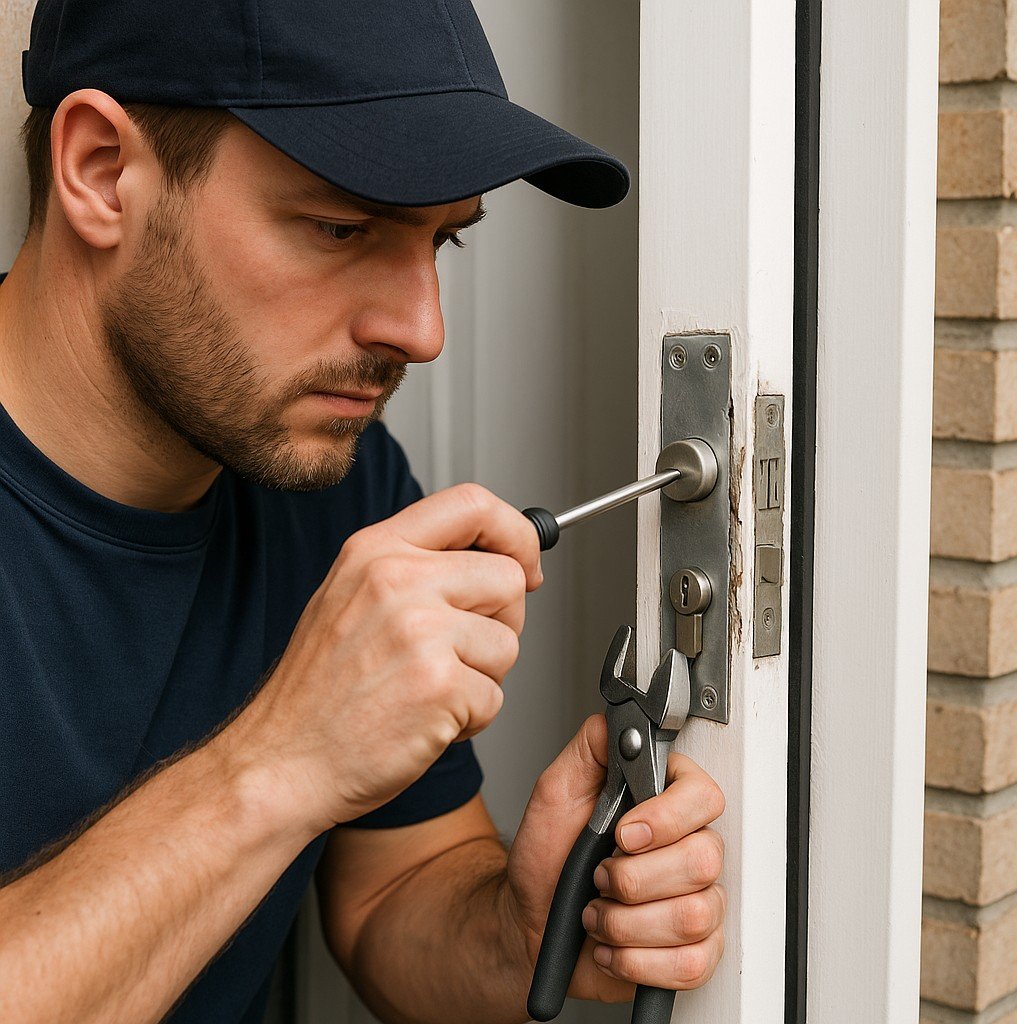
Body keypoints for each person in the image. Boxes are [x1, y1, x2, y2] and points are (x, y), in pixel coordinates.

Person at [0, 1, 727, 1022]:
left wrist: (521, 927)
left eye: (444, 242)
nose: (421, 330)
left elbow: (393, 892)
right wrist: (280, 760)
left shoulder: (331, 481)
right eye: (341, 226)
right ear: (100, 170)